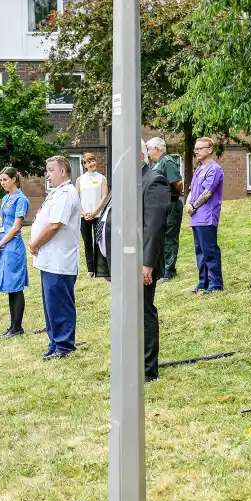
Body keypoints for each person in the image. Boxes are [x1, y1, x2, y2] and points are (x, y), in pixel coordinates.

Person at [98, 142, 171, 380]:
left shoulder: (153, 180)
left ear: (139, 156)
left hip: (140, 262)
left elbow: (154, 226)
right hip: (120, 261)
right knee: (127, 314)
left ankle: (148, 369)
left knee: (142, 312)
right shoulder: (122, 183)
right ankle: (129, 363)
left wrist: (147, 263)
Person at [29, 156, 81, 360]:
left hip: (60, 261)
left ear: (63, 172)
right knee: (51, 304)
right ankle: (54, 342)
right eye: (47, 170)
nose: (47, 175)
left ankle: (64, 345)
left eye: (51, 170)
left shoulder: (67, 193)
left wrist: (35, 243)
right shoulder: (56, 193)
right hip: (50, 260)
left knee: (60, 304)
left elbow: (54, 224)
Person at [0, 167, 31, 338]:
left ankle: (17, 326)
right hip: (2, 245)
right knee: (9, 287)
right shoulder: (6, 198)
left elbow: (15, 227)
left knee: (16, 287)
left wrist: (0, 243)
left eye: (5, 179)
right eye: (0, 180)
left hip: (12, 246)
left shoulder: (21, 200)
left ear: (14, 179)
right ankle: (12, 326)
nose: (2, 183)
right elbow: (1, 222)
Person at [187, 137, 224, 294]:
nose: (197, 151)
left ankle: (215, 284)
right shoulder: (199, 170)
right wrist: (188, 203)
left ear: (210, 149)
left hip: (207, 216)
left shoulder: (214, 169)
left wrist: (194, 206)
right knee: (199, 252)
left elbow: (208, 192)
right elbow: (191, 191)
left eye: (200, 148)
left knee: (209, 251)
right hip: (195, 217)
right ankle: (203, 282)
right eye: (195, 149)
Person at [146, 137, 184, 282]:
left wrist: (173, 193)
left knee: (169, 238)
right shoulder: (158, 163)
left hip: (171, 204)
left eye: (149, 149)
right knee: (161, 237)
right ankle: (162, 270)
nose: (148, 152)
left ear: (156, 149)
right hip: (162, 204)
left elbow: (177, 182)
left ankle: (169, 271)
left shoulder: (167, 161)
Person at [76, 153, 108, 277]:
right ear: (84, 165)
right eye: (88, 162)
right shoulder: (80, 180)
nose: (92, 163)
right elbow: (76, 198)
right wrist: (83, 213)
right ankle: (90, 269)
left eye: (93, 161)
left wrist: (95, 212)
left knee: (98, 242)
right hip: (83, 216)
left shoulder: (102, 178)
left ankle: (98, 268)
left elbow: (104, 196)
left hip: (98, 215)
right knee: (87, 242)